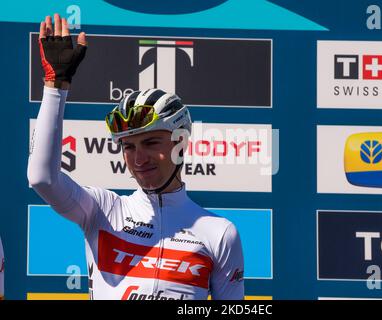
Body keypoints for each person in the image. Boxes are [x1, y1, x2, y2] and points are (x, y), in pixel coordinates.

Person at [27, 13, 244, 300]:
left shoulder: (219, 232)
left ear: (181, 141)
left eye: (151, 142)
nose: (139, 158)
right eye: (128, 147)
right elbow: (42, 179)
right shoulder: (103, 211)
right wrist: (56, 86)